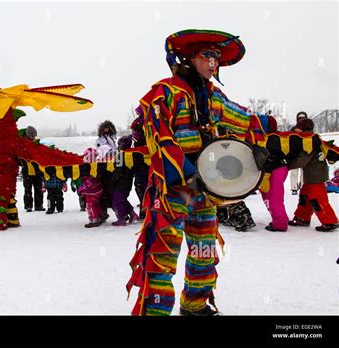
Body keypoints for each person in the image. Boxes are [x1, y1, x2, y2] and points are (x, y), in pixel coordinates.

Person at [126, 29, 269, 316]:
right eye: (208, 55)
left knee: (204, 251)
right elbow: (159, 136)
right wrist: (186, 173)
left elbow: (243, 118)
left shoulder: (215, 96)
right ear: (190, 58)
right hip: (173, 189)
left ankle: (194, 305)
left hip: (206, 189)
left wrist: (266, 134)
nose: (214, 62)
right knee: (163, 254)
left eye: (217, 57)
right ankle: (155, 312)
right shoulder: (166, 91)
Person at [287, 118, 338, 232]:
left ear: (303, 128)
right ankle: (302, 217)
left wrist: (286, 166)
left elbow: (302, 160)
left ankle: (330, 221)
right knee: (304, 197)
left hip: (316, 177)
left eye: (298, 127)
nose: (296, 129)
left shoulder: (308, 142)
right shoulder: (312, 139)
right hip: (311, 176)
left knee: (318, 199)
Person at [261, 116, 289, 232]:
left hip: (274, 170)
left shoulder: (270, 138)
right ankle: (281, 218)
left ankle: (280, 223)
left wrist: (266, 173)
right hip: (280, 168)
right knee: (270, 196)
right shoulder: (279, 137)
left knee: (272, 197)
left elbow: (270, 157)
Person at [111, 135, 139, 226]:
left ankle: (121, 218)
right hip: (128, 181)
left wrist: (113, 179)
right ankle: (132, 214)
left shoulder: (121, 155)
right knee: (122, 199)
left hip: (121, 182)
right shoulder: (131, 154)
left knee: (117, 200)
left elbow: (118, 169)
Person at [131, 106, 150, 220]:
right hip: (140, 157)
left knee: (142, 185)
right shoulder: (138, 123)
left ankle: (146, 210)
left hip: (144, 157)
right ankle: (145, 208)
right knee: (141, 185)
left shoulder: (145, 123)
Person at [78, 148, 104, 228]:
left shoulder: (86, 167)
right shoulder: (97, 165)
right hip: (98, 189)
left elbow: (88, 182)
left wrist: (80, 189)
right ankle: (102, 214)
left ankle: (94, 220)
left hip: (90, 191)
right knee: (95, 204)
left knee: (90, 205)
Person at [21, 126, 45, 212]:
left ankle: (39, 205)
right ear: (27, 135)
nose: (33, 137)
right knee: (27, 189)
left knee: (38, 189)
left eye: (34, 136)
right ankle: (28, 206)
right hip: (27, 170)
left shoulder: (36, 144)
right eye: (31, 135)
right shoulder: (21, 144)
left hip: (37, 171)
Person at [289, 111, 308, 195]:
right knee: (294, 171)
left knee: (304, 171)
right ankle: (294, 187)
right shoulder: (293, 129)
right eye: (300, 119)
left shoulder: (308, 129)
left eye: (303, 119)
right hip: (294, 153)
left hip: (305, 153)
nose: (301, 120)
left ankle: (303, 186)